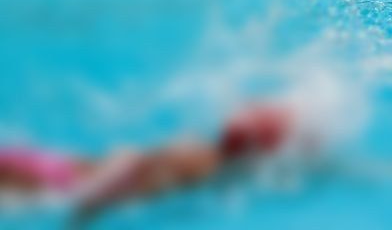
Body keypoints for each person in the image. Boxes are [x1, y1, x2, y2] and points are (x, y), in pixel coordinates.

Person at [0, 103, 294, 218]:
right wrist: (89, 204)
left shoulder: (198, 153)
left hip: (77, 172)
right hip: (78, 177)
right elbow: (132, 165)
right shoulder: (200, 162)